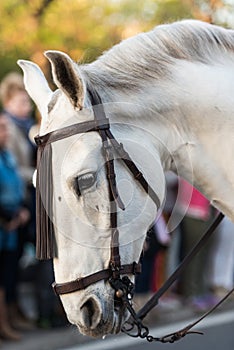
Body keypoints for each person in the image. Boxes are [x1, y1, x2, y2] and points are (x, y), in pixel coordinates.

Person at [0, 113, 30, 341]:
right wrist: (8, 215)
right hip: (4, 224)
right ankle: (3, 324)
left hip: (11, 227)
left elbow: (16, 185)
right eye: (1, 128)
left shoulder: (7, 154)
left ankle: (10, 317)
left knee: (10, 275)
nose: (6, 131)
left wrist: (21, 209)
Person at [176, 178, 217, 311]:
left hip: (207, 210)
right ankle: (191, 294)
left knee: (205, 253)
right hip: (193, 210)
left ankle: (201, 290)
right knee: (194, 253)